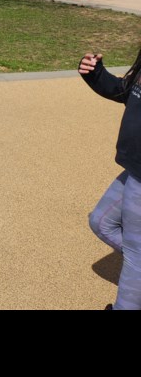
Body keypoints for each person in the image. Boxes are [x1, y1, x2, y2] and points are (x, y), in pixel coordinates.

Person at [79, 49, 141, 310]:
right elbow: (125, 91)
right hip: (134, 170)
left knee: (137, 255)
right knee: (101, 222)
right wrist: (96, 74)